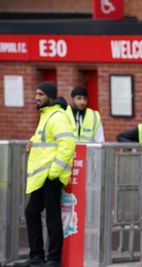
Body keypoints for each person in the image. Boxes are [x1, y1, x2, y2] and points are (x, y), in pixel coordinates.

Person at [16, 82, 76, 267]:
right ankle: (37, 257)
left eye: (40, 94)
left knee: (52, 217)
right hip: (43, 176)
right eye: (36, 94)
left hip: (51, 176)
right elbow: (45, 138)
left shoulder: (57, 117)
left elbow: (67, 145)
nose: (37, 97)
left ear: (50, 96)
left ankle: (53, 259)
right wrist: (32, 141)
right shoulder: (46, 115)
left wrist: (54, 173)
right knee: (32, 212)